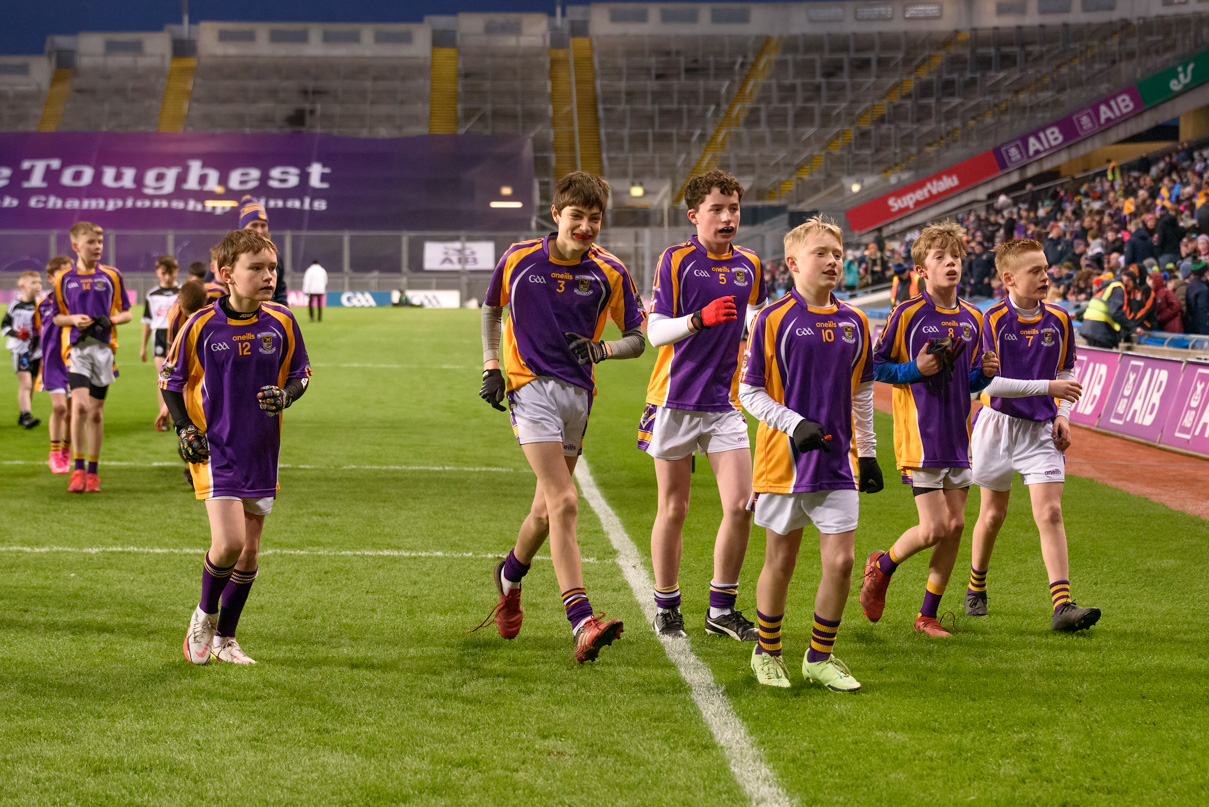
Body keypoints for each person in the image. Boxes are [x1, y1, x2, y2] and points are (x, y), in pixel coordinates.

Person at [476, 172, 646, 664]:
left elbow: (637, 337)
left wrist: (602, 348)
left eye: (595, 219)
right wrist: (491, 367)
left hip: (579, 397)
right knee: (566, 500)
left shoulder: (610, 271)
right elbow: (491, 310)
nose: (587, 227)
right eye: (578, 217)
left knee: (545, 511)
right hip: (528, 389)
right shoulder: (519, 258)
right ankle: (582, 620)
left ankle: (509, 577)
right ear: (556, 215)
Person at [739, 217, 882, 691]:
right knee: (781, 559)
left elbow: (862, 393)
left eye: (837, 254)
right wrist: (793, 423)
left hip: (837, 462)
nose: (833, 261)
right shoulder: (772, 319)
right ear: (794, 262)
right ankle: (768, 650)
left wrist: (869, 454)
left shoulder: (856, 321)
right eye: (822, 253)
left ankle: (819, 657)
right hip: (783, 462)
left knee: (841, 562)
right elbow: (749, 392)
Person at [163, 229, 312, 665]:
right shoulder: (201, 324)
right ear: (226, 274)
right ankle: (205, 616)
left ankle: (227, 640)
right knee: (228, 543)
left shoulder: (282, 320)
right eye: (257, 268)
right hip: (217, 448)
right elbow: (171, 381)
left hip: (262, 447)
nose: (269, 276)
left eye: (272, 268)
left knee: (248, 552)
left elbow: (301, 373)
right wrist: (184, 428)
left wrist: (287, 395)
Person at [640, 170, 766, 640]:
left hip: (724, 403)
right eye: (717, 208)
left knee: (741, 504)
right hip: (674, 400)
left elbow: (757, 319)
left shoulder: (750, 264)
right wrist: (697, 319)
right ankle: (667, 604)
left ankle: (721, 609)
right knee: (674, 508)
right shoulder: (675, 261)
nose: (727, 217)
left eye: (733, 208)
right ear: (694, 216)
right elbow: (655, 333)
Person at [861, 221, 998, 638]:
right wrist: (913, 370)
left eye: (955, 256)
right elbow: (875, 365)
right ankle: (881, 567)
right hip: (920, 436)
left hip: (959, 436)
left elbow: (969, 383)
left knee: (955, 527)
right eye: (939, 257)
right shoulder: (907, 314)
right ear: (922, 268)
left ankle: (927, 615)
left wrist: (984, 375)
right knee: (936, 527)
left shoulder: (974, 317)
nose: (950, 263)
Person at [967, 239, 1100, 632]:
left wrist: (1063, 415)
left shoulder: (1060, 319)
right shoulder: (990, 320)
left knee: (1051, 512)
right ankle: (977, 586)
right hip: (996, 427)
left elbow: (1066, 373)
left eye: (1046, 269)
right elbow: (990, 385)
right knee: (992, 515)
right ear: (1009, 278)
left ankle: (1062, 606)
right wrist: (1047, 389)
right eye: (1035, 271)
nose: (1046, 276)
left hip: (1041, 430)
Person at [50, 222, 132, 493]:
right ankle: (78, 470)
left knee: (96, 414)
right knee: (81, 407)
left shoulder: (112, 275)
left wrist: (110, 319)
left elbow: (126, 313)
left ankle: (93, 473)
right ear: (76, 246)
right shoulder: (64, 279)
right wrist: (72, 318)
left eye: (100, 242)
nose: (97, 247)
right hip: (76, 350)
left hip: (104, 351)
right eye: (91, 242)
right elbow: (57, 317)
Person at [34, 257, 75, 471]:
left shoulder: (76, 304)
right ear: (50, 278)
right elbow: (37, 332)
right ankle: (55, 451)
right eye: (61, 275)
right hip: (51, 364)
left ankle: (67, 449)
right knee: (59, 408)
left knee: (70, 412)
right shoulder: (43, 305)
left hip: (73, 363)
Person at [140, 255, 180, 431]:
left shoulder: (183, 291)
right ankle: (163, 417)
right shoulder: (152, 295)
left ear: (176, 272)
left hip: (179, 335)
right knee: (163, 377)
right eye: (164, 273)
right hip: (160, 337)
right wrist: (143, 346)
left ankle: (180, 416)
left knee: (180, 377)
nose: (167, 277)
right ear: (158, 273)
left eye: (170, 273)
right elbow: (147, 322)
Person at [3, 270, 43, 429]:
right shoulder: (16, 306)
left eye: (39, 282)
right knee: (25, 383)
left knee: (32, 383)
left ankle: (24, 414)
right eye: (34, 283)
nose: (38, 286)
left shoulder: (41, 305)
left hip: (37, 351)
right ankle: (26, 416)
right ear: (22, 286)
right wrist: (17, 334)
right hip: (21, 351)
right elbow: (4, 326)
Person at [238, 195, 289, 306]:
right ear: (243, 228)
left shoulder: (275, 256)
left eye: (263, 225)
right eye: (254, 225)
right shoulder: (230, 255)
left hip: (269, 316)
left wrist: (284, 312)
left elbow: (280, 290)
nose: (260, 231)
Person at [1079, 270, 1129, 349]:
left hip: (1088, 326)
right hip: (1101, 329)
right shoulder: (1117, 287)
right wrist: (1131, 328)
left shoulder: (1103, 287)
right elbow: (1115, 313)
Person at [1186, 260, 1209, 335]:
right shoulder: (1203, 290)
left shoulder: (1190, 286)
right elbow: (1203, 313)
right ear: (1205, 273)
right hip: (1203, 330)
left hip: (1193, 326)